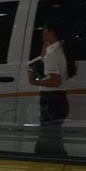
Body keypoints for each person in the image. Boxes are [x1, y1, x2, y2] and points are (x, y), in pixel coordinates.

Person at [27, 21, 74, 157]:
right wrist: (44, 48)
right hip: (58, 98)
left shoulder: (53, 53)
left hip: (51, 99)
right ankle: (55, 161)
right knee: (52, 136)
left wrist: (33, 81)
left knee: (48, 137)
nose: (42, 33)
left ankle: (49, 161)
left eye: (45, 30)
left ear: (51, 32)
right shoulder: (58, 50)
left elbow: (55, 81)